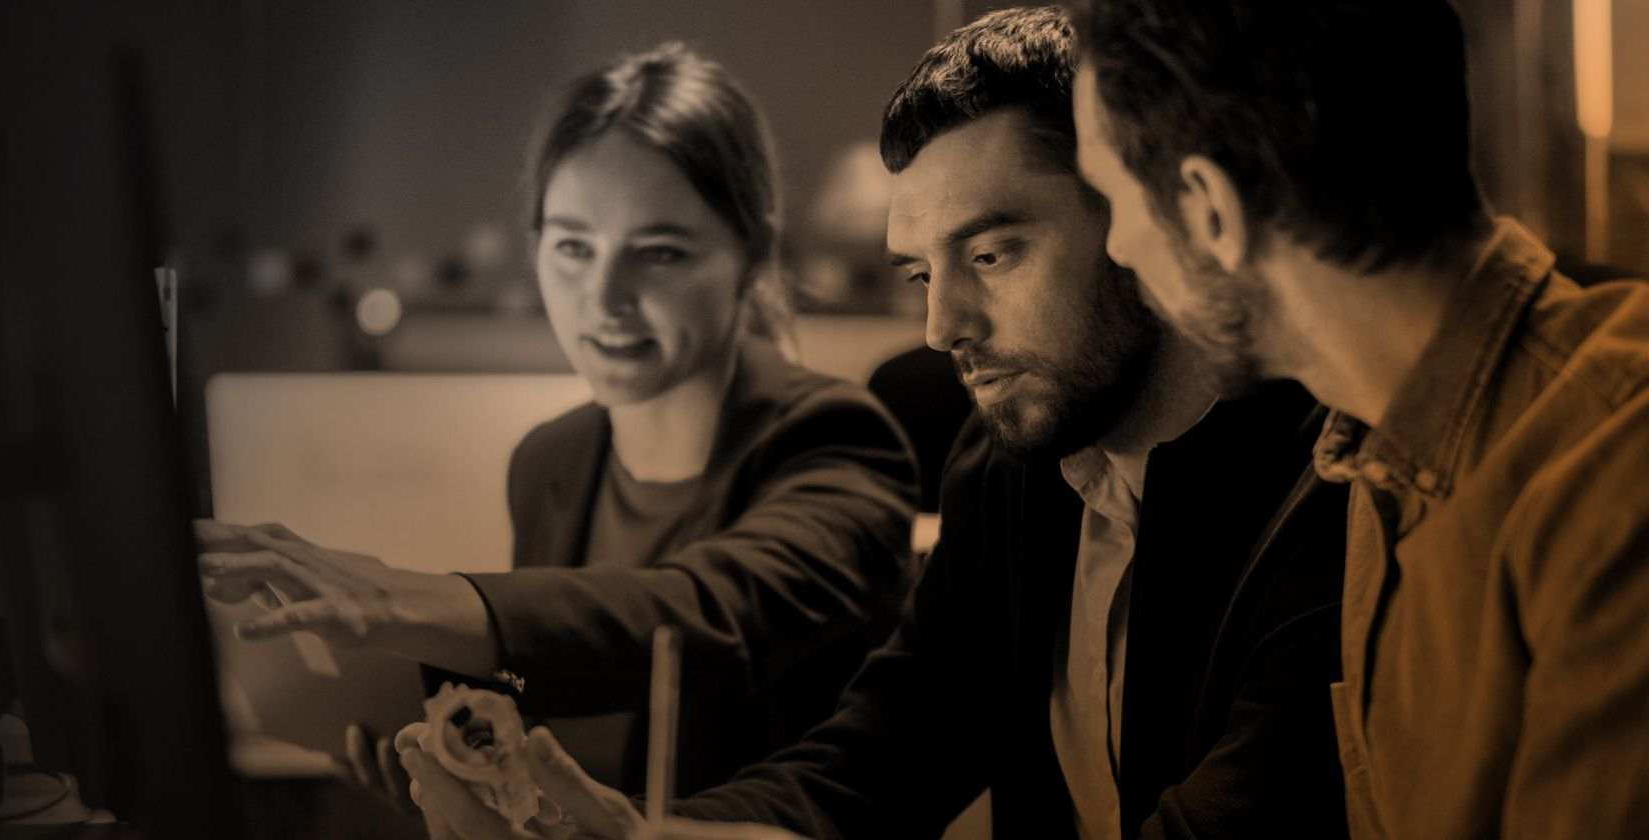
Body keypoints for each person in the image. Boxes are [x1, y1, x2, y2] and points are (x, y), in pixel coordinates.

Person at [400, 9, 1349, 839]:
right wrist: (653, 832)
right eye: (923, 274)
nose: (944, 328)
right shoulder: (1006, 466)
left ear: (1136, 216)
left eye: (990, 252)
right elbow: (880, 758)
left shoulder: (1331, 484)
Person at [198, 42, 919, 798]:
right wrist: (460, 769)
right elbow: (544, 687)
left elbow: (695, 617)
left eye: (661, 253)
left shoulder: (837, 439)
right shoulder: (552, 460)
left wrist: (406, 597)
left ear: (753, 254)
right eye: (574, 245)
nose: (604, 297)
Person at [1067, 1, 1649, 836]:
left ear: (1209, 210)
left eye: (1112, 198)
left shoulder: (1613, 465)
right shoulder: (1375, 450)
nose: (1118, 247)